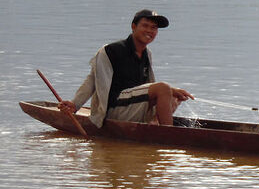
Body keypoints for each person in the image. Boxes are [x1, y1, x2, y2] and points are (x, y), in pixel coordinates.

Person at [58, 9, 194, 127]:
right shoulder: (110, 51)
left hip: (134, 105)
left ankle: (154, 125)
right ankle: (168, 135)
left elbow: (149, 86)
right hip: (114, 109)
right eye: (145, 26)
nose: (149, 31)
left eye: (153, 28)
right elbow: (92, 80)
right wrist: (75, 105)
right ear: (133, 27)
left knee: (174, 96)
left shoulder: (147, 54)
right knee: (164, 88)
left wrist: (172, 91)